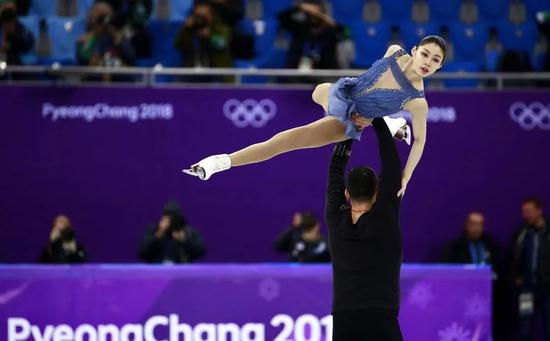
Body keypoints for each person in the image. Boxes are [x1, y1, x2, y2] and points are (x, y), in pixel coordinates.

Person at [184, 36, 447, 198]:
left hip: (348, 122)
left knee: (284, 141)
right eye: (425, 54)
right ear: (415, 50)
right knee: (319, 91)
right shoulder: (394, 51)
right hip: (345, 94)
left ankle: (220, 163)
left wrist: (406, 176)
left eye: (435, 60)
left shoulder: (417, 101)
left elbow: (421, 141)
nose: (427, 61)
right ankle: (387, 123)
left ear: (439, 66)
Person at [326, 118, 403, 340]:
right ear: (377, 192)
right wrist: (376, 120)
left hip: (344, 320)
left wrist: (352, 128)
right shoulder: (385, 217)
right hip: (381, 318)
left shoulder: (336, 218)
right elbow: (391, 166)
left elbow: (334, 172)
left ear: (347, 194)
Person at [509, 197, 550, 340]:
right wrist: (516, 276)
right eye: (523, 211)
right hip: (527, 289)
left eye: (529, 211)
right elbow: (513, 257)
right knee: (524, 328)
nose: (525, 215)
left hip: (548, 289)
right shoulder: (521, 233)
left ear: (539, 211)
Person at [278, 0, 340, 70]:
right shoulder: (299, 27)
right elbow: (281, 18)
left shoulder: (329, 31)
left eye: (317, 9)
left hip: (323, 72)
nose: (314, 13)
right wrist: (300, 7)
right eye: (311, 11)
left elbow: (342, 32)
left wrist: (323, 17)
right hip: (297, 72)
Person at [138, 202, 207, 264]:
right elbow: (142, 253)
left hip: (181, 274)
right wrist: (158, 235)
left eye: (174, 219)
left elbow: (201, 250)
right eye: (168, 219)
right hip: (158, 274)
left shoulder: (188, 232)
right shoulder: (154, 230)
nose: (171, 222)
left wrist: (185, 240)